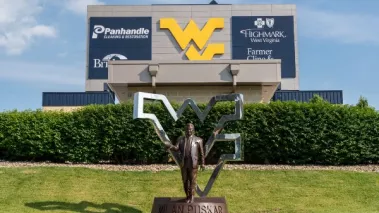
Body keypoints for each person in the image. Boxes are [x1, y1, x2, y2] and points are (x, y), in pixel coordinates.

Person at [165, 123, 205, 203]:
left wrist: (203, 163)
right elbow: (176, 148)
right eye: (187, 129)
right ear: (185, 130)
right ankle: (187, 196)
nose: (188, 130)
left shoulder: (198, 140)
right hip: (184, 163)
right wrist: (170, 146)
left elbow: (201, 153)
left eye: (190, 129)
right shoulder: (181, 139)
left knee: (192, 181)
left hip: (193, 164)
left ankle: (192, 197)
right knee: (185, 181)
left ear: (193, 130)